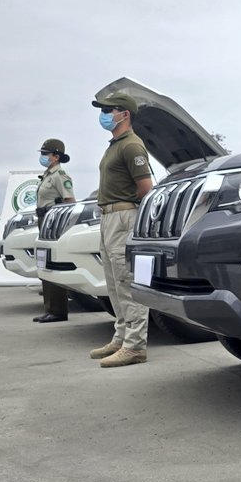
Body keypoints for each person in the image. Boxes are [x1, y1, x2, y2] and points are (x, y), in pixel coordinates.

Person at [87, 91, 154, 368]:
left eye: (108, 110)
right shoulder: (114, 144)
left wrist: (128, 216)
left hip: (123, 216)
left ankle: (135, 346)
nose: (104, 115)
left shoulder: (131, 146)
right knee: (113, 282)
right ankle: (122, 337)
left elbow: (146, 188)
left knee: (127, 282)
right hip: (108, 218)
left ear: (124, 114)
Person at [33, 139, 75, 323]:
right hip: (44, 219)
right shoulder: (47, 174)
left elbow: (69, 201)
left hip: (53, 221)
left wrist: (60, 224)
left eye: (46, 154)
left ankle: (58, 310)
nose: (42, 157)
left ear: (56, 157)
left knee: (53, 262)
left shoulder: (60, 175)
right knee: (44, 263)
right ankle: (50, 308)